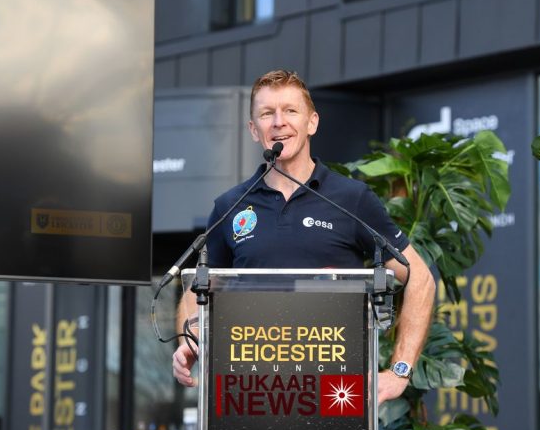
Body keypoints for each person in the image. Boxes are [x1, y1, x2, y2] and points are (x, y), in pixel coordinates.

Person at [172, 70, 435, 405]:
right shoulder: (230, 206)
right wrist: (190, 338)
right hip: (249, 396)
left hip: (335, 396)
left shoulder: (351, 199)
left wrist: (399, 371)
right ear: (253, 129)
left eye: (290, 111)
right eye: (267, 113)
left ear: (312, 122)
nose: (278, 122)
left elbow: (420, 278)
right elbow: (197, 288)